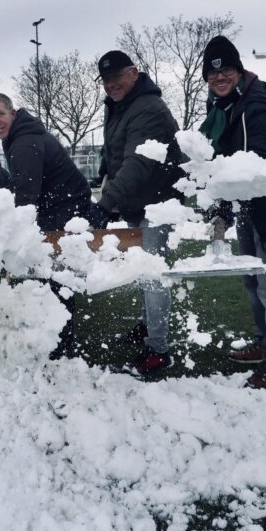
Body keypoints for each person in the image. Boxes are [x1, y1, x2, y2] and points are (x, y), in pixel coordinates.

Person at [198, 36, 266, 389]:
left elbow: (259, 164)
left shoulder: (256, 106)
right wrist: (222, 210)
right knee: (251, 279)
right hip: (247, 206)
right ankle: (263, 342)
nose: (219, 78)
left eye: (226, 70)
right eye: (212, 74)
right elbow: (225, 166)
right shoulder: (222, 109)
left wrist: (228, 201)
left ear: (238, 70)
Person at [87, 50, 183, 377]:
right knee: (143, 271)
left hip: (157, 205)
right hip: (137, 203)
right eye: (106, 80)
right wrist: (102, 170)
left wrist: (104, 203)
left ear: (134, 73)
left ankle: (159, 350)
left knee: (154, 276)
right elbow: (115, 149)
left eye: (117, 77)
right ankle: (147, 327)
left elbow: (139, 162)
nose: (111, 84)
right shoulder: (119, 105)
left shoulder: (149, 108)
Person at [0, 92, 91, 357]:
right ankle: (56, 332)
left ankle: (62, 344)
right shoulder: (20, 136)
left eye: (0, 114)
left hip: (64, 210)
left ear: (13, 113)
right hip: (60, 205)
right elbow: (25, 187)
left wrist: (11, 233)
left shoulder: (24, 143)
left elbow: (26, 200)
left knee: (56, 276)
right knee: (51, 275)